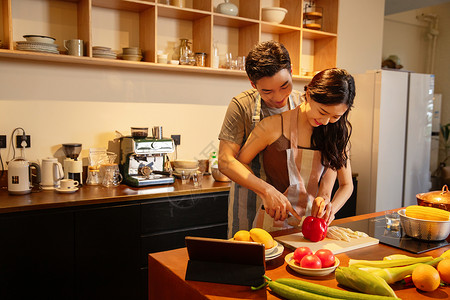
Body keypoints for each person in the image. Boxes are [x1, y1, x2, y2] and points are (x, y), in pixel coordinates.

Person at [236, 68, 355, 232]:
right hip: (273, 222)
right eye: (322, 112)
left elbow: (346, 184)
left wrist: (330, 207)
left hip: (313, 226)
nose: (326, 121)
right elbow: (240, 162)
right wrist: (266, 192)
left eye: (336, 117)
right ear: (309, 94)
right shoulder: (272, 126)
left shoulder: (336, 133)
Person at [218, 40, 313, 238]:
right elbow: (225, 161)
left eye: (284, 86)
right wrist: (266, 191)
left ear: (291, 71)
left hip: (295, 209)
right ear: (253, 84)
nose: (278, 96)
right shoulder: (242, 105)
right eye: (267, 91)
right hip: (250, 203)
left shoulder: (304, 105)